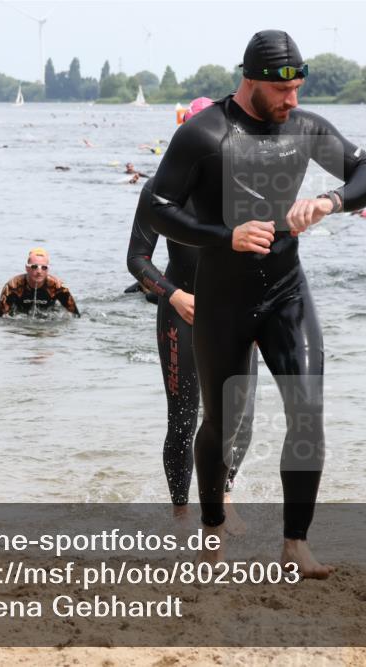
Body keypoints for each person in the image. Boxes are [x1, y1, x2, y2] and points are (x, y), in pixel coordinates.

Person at [149, 30, 366, 578]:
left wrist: (330, 201)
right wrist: (222, 235)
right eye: (283, 92)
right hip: (223, 299)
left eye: (299, 89)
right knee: (221, 422)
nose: (293, 102)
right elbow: (159, 206)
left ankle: (295, 544)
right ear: (251, 81)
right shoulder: (203, 133)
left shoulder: (304, 128)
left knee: (307, 410)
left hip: (286, 292)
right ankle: (211, 531)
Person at [127, 170, 259, 526]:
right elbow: (137, 259)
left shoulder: (249, 184)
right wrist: (174, 294)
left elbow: (268, 258)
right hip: (183, 309)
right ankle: (181, 513)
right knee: (183, 418)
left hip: (237, 313)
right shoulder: (162, 188)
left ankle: (224, 498)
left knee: (241, 418)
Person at [0, 248, 81, 318]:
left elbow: (76, 316)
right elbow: (0, 318)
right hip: (20, 314)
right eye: (34, 267)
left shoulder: (58, 286)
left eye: (44, 267)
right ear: (27, 268)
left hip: (48, 317)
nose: (39, 271)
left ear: (48, 269)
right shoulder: (13, 286)